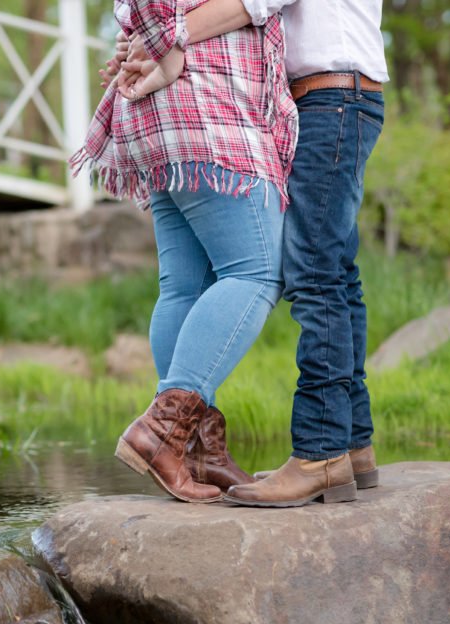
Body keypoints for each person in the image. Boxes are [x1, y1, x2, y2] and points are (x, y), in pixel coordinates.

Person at [112, 0, 388, 506]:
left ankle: (321, 452)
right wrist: (157, 41)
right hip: (307, 96)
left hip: (332, 91)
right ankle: (345, 446)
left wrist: (160, 39)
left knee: (315, 274)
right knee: (326, 274)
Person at [72, 0, 298, 502]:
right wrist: (164, 45)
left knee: (185, 286)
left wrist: (151, 40)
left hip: (159, 114)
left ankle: (197, 451)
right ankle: (161, 431)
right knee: (257, 273)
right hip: (209, 109)